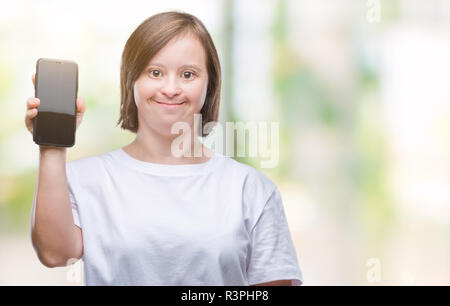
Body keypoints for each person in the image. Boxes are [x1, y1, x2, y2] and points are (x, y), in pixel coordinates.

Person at [25, 11, 303, 286]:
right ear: (131, 80)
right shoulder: (84, 178)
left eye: (188, 74)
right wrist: (51, 146)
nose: (170, 89)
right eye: (155, 72)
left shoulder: (250, 189)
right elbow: (54, 253)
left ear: (210, 85)